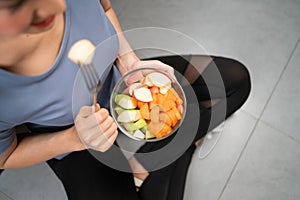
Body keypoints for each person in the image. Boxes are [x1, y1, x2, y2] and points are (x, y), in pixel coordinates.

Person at [0, 0, 251, 199]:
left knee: (235, 83)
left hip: (124, 83)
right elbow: (6, 157)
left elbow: (105, 7)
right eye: (17, 3)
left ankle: (153, 158)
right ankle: (178, 148)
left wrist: (128, 60)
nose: (60, 6)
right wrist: (75, 138)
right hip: (74, 138)